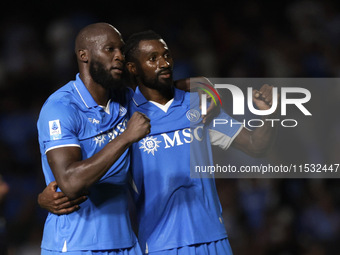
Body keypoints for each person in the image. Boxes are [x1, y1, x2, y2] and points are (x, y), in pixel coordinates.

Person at [39, 30, 278, 254]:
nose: (163, 63)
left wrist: (266, 112)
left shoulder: (198, 106)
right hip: (158, 243)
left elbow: (256, 145)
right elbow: (89, 161)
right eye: (152, 58)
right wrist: (46, 195)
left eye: (166, 56)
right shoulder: (126, 114)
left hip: (214, 236)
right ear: (133, 68)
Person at [36, 22, 150, 255]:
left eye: (121, 50)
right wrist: (125, 138)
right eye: (110, 49)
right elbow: (69, 183)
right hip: (76, 244)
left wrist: (196, 86)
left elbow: (165, 94)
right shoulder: (61, 107)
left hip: (126, 242)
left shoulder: (123, 98)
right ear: (84, 55)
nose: (119, 56)